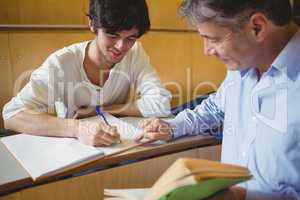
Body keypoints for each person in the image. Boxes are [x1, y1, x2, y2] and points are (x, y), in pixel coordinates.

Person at [136, 0, 300, 199]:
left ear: (257, 27)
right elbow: (215, 107)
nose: (207, 51)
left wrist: (242, 197)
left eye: (213, 39)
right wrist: (172, 127)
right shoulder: (242, 66)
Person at [2, 0, 171, 147]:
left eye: (131, 38)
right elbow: (12, 115)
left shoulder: (135, 52)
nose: (121, 46)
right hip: (75, 149)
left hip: (119, 146)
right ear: (92, 24)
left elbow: (161, 103)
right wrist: (77, 128)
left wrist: (100, 109)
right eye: (112, 35)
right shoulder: (61, 63)